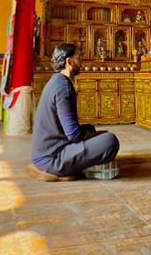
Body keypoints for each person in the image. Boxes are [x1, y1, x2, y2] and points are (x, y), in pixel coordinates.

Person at [28, 43, 120, 181]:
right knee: (110, 141)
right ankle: (63, 170)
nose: (81, 62)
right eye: (79, 58)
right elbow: (73, 134)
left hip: (46, 152)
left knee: (89, 128)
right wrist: (95, 135)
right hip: (52, 159)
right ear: (69, 62)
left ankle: (77, 162)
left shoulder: (56, 80)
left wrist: (90, 133)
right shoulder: (63, 88)